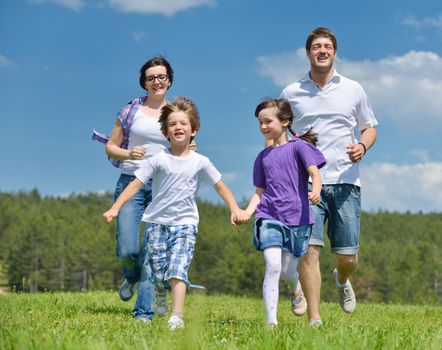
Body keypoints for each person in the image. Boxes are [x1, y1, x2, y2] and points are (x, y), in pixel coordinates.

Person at [103, 97, 246, 330]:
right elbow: (135, 184)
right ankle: (159, 290)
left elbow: (220, 185)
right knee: (157, 272)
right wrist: (115, 208)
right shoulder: (158, 159)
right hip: (156, 223)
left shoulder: (201, 161)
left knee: (179, 270)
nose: (178, 127)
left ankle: (176, 316)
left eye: (183, 124)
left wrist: (235, 208)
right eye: (172, 125)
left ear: (194, 130)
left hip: (185, 224)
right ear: (165, 132)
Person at [280, 27, 378, 326]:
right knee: (309, 251)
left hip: (346, 182)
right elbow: (279, 131)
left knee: (347, 256)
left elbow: (370, 126)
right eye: (316, 46)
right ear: (308, 52)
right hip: (306, 182)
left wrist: (362, 145)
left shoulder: (353, 89)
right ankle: (315, 318)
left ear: (334, 52)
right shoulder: (290, 92)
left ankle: (341, 279)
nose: (322, 50)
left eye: (327, 46)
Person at [96, 56, 174, 321]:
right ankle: (131, 277)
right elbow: (110, 146)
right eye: (151, 77)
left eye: (161, 76)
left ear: (169, 80)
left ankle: (144, 313)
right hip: (131, 181)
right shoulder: (131, 110)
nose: (156, 81)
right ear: (144, 83)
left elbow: (188, 146)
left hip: (163, 186)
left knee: (152, 249)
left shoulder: (176, 113)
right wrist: (128, 154)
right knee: (128, 248)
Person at [240, 99, 325, 328]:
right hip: (268, 216)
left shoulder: (299, 147)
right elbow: (260, 191)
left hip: (297, 217)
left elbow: (315, 175)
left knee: (288, 269)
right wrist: (248, 212)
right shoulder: (262, 157)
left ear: (285, 121)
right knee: (273, 265)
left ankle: (296, 288)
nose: (263, 126)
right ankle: (271, 322)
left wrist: (316, 192)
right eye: (260, 122)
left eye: (268, 121)